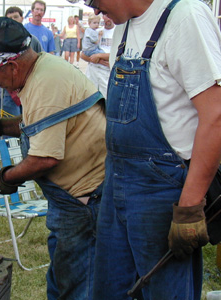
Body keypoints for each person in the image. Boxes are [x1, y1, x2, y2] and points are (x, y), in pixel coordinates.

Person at [84, 0, 221, 298]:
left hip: (162, 189)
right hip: (117, 179)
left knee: (165, 291)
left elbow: (216, 115)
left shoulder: (184, 17)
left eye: (93, 0)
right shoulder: (123, 27)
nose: (93, 10)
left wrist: (189, 208)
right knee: (110, 289)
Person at [0, 17, 106, 300]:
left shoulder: (44, 85)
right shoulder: (43, 69)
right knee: (64, 277)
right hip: (76, 194)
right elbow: (44, 124)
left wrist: (5, 178)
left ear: (13, 65)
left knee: (76, 285)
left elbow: (44, 158)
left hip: (84, 199)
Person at [81, 14, 114, 99]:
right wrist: (96, 60)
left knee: (106, 99)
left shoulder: (118, 33)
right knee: (90, 98)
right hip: (93, 70)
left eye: (110, 15)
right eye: (106, 15)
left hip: (107, 72)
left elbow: (118, 54)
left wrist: (99, 55)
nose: (108, 18)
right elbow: (83, 54)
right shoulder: (95, 31)